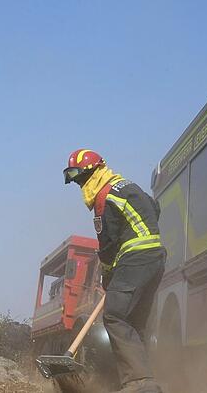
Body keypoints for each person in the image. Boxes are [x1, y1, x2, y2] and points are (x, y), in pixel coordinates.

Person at [64, 150, 165, 393]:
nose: (80, 185)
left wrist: (108, 275)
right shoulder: (128, 186)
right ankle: (140, 382)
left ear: (93, 173)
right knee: (135, 323)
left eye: (81, 178)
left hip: (135, 258)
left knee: (114, 315)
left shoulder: (104, 196)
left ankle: (139, 382)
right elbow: (155, 208)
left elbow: (107, 245)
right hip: (156, 259)